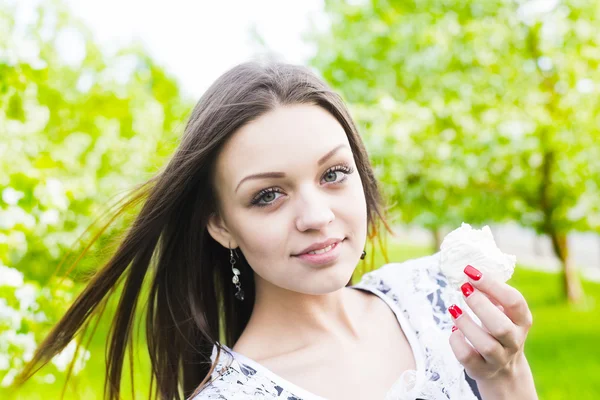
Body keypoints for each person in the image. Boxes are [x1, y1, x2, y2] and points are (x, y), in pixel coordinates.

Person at [16, 61, 538, 400]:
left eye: (334, 174)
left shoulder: (437, 298)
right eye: (268, 195)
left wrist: (504, 374)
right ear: (221, 224)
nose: (315, 215)